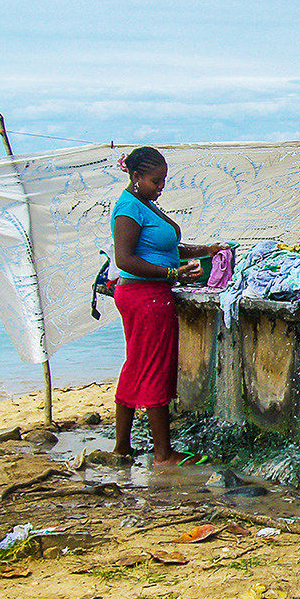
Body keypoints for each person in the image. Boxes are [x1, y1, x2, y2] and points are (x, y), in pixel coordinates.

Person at [111, 146, 228, 466]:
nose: (161, 186)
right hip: (143, 297)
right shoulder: (128, 209)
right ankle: (163, 453)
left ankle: (122, 448)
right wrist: (172, 273)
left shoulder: (145, 204)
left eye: (163, 180)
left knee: (136, 366)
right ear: (135, 177)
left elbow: (165, 247)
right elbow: (126, 260)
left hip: (149, 295)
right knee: (153, 370)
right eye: (155, 181)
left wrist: (207, 249)